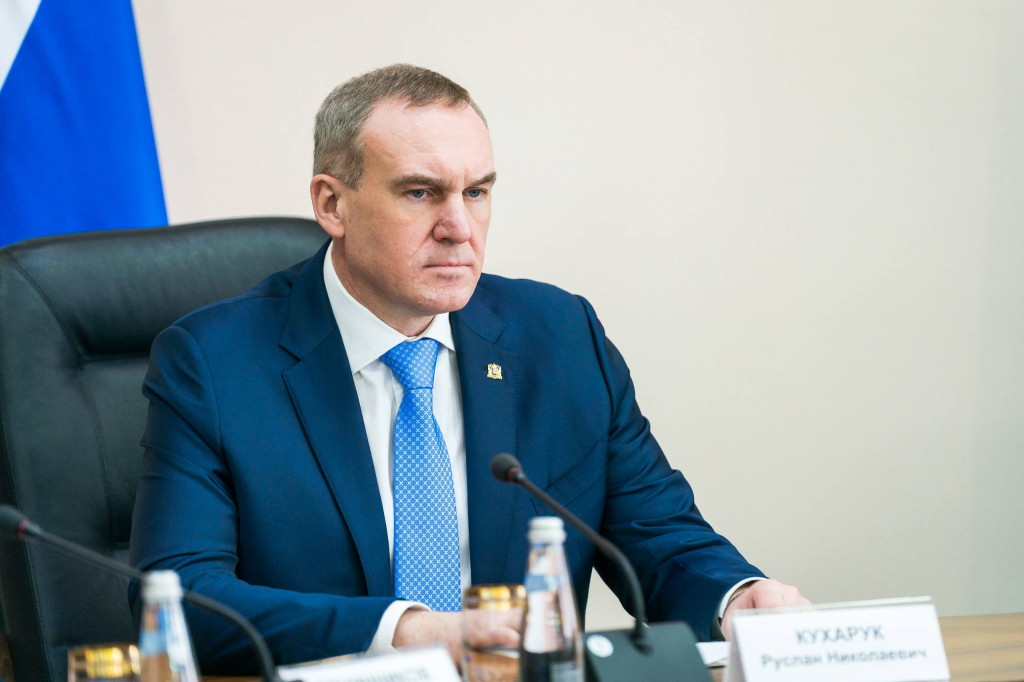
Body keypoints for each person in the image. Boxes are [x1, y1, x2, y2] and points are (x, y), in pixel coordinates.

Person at [129, 64, 808, 674]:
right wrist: (408, 632)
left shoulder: (560, 336)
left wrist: (737, 597)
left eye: (477, 192)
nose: (459, 227)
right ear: (332, 205)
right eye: (421, 193)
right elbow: (179, 597)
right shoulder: (214, 362)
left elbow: (660, 538)